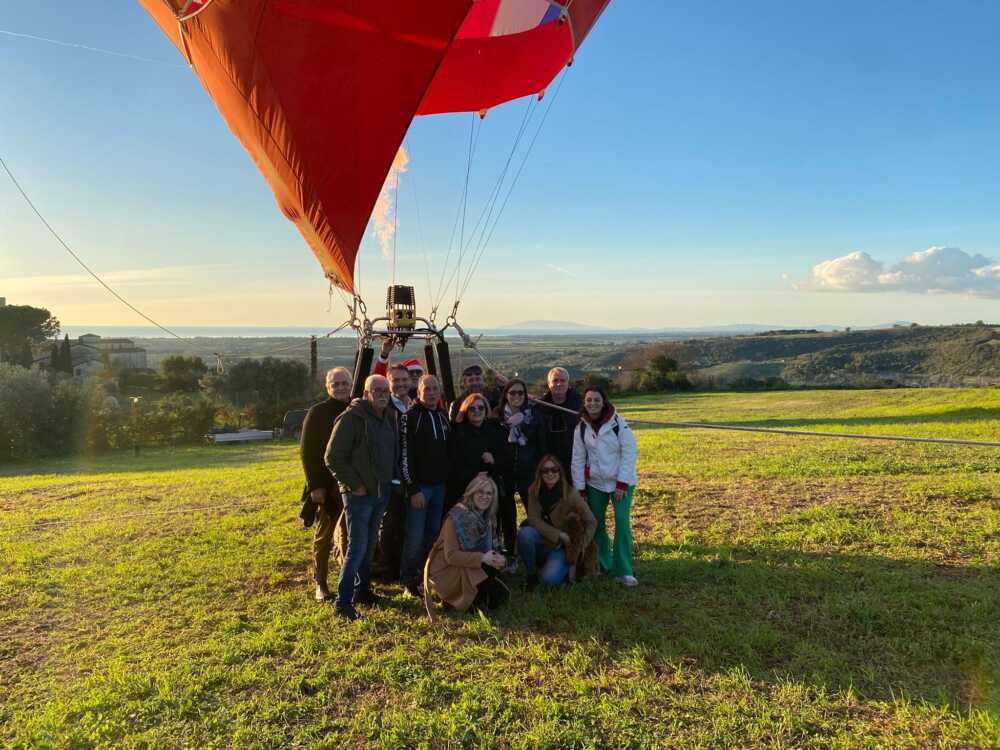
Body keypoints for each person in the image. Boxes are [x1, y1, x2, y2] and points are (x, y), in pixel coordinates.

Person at [325, 374, 398, 620]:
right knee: (357, 547)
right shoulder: (351, 418)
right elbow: (332, 457)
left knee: (369, 545)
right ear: (366, 394)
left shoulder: (388, 416)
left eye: (385, 390)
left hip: (381, 491)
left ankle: (362, 590)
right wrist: (354, 485)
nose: (382, 394)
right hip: (359, 495)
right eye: (376, 390)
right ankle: (342, 602)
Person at [571, 386, 639, 587]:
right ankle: (603, 563)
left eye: (596, 400)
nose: (592, 403)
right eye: (589, 400)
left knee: (621, 521)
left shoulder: (618, 423)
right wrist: (580, 488)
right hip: (596, 484)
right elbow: (577, 458)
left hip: (621, 483)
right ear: (584, 403)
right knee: (596, 523)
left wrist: (622, 483)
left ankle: (624, 570)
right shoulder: (581, 427)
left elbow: (629, 452)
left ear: (604, 402)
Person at [299, 367, 352, 602]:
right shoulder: (317, 412)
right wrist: (315, 487)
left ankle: (349, 580)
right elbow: (307, 452)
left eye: (344, 383)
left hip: (352, 483)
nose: (341, 387)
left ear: (351, 384)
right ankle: (320, 583)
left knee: (351, 535)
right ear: (328, 387)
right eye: (335, 384)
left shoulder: (356, 408)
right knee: (325, 535)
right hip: (326, 486)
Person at [424, 474, 508, 614]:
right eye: (480, 492)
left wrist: (500, 558)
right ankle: (451, 598)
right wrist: (482, 558)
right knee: (482, 602)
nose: (484, 496)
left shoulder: (487, 518)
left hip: (471, 564)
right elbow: (451, 556)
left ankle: (473, 597)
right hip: (447, 571)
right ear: (471, 493)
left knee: (500, 598)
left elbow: (494, 547)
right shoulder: (456, 518)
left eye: (489, 493)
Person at [399, 375, 450, 597]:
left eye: (434, 388)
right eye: (426, 389)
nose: (430, 392)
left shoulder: (442, 415)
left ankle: (426, 576)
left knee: (432, 535)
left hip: (440, 487)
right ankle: (408, 580)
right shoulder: (410, 417)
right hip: (420, 488)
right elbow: (404, 455)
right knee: (415, 537)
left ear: (439, 392)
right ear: (418, 392)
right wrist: (412, 488)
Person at [517, 455, 597, 589]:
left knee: (549, 580)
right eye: (545, 470)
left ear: (560, 472)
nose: (550, 473)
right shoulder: (533, 491)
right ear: (540, 473)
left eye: (554, 470)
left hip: (562, 548)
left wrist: (579, 547)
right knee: (525, 535)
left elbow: (591, 521)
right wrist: (559, 534)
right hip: (543, 539)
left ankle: (560, 567)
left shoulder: (570, 494)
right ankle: (531, 575)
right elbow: (533, 519)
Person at [372, 363, 413, 583]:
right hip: (391, 476)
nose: (401, 384)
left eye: (404, 380)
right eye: (395, 380)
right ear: (388, 383)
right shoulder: (384, 409)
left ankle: (406, 565)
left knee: (408, 524)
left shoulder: (414, 406)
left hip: (412, 476)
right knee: (389, 524)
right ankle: (388, 568)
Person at [496, 378, 547, 552]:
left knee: (535, 515)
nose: (516, 396)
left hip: (529, 473)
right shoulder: (497, 416)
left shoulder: (534, 417)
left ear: (526, 396)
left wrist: (541, 470)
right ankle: (511, 553)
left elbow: (542, 445)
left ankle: (539, 551)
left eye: (520, 392)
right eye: (512, 392)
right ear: (506, 395)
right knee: (508, 517)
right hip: (506, 474)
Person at [447, 393, 511, 514]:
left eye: (480, 407)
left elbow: (506, 458)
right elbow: (454, 462)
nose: (477, 411)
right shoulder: (457, 433)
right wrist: (474, 474)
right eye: (472, 408)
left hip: (492, 487)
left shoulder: (495, 430)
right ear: (465, 411)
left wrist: (494, 459)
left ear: (486, 409)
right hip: (466, 490)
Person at [537, 367, 583, 474]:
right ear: (549, 384)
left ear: (568, 383)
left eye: (562, 380)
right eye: (555, 380)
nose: (559, 384)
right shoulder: (539, 407)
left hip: (576, 462)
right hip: (549, 465)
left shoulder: (580, 404)